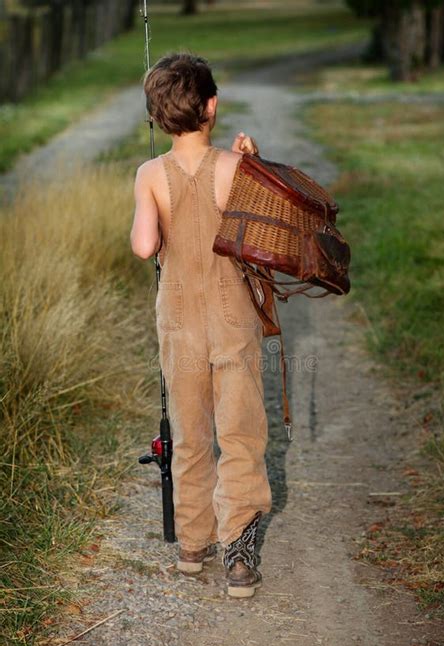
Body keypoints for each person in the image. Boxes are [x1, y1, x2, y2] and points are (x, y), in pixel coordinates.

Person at [130, 53, 272, 599]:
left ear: (157, 118)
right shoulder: (234, 169)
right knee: (239, 430)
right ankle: (238, 553)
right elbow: (262, 234)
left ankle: (193, 544)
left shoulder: (149, 174)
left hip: (179, 319)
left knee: (189, 431)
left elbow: (145, 246)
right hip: (232, 314)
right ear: (212, 107)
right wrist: (254, 161)